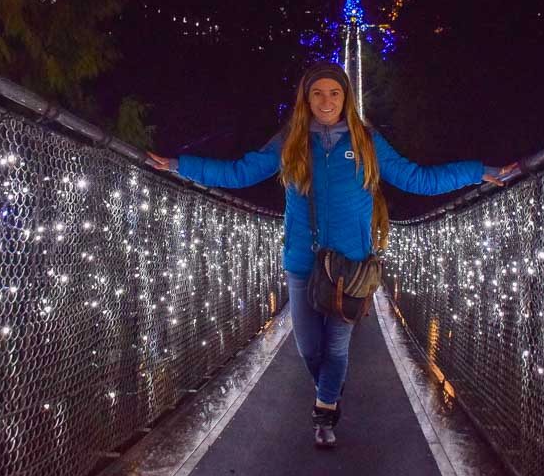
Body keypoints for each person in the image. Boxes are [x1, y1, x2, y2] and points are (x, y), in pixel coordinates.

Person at [148, 62, 512, 448]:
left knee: (336, 346)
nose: (326, 100)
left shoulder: (366, 140)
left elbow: (417, 178)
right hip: (303, 262)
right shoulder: (291, 140)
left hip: (350, 265)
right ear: (306, 99)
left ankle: (325, 415)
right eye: (317, 93)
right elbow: (239, 173)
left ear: (346, 98)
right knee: (309, 347)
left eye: (334, 93)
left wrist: (478, 171)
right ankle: (330, 386)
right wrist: (178, 166)